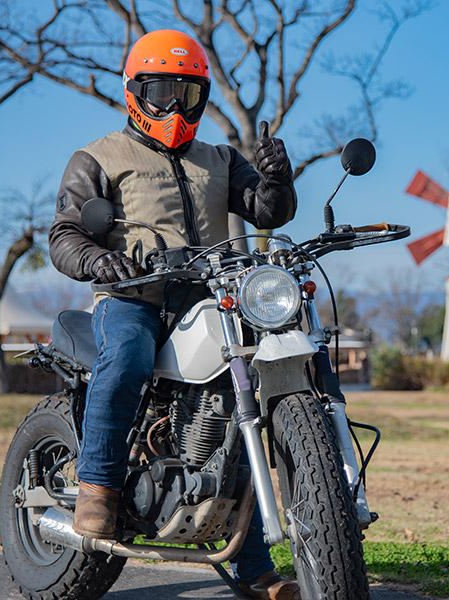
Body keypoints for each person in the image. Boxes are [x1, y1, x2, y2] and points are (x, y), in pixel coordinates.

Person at [48, 29, 300, 600]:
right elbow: (62, 235)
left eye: (186, 93)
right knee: (127, 359)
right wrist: (98, 260)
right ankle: (97, 492)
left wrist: (278, 179)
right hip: (132, 298)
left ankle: (255, 569)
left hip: (209, 300)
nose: (173, 105)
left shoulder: (219, 158)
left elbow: (267, 211)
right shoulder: (98, 156)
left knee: (241, 410)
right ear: (136, 90)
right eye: (161, 91)